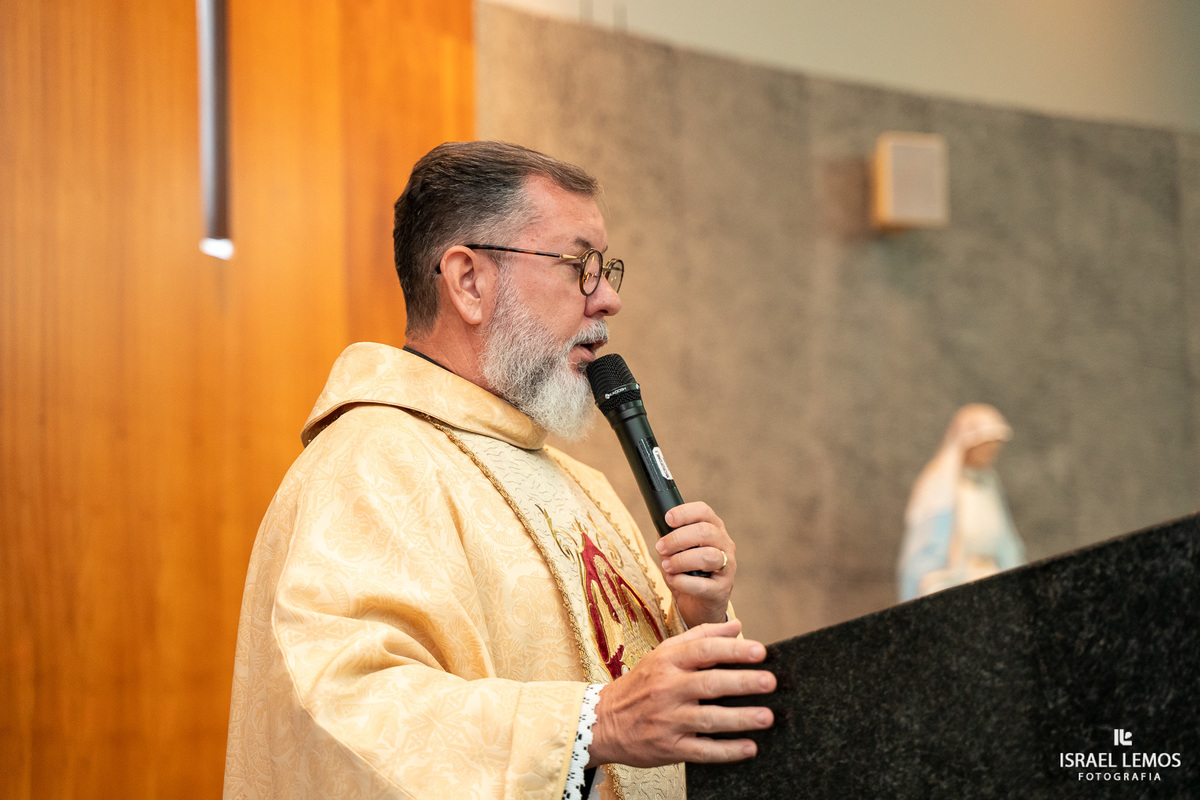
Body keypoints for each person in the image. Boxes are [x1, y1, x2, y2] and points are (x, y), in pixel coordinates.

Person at [223, 141, 775, 800]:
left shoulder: (584, 488)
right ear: (468, 281)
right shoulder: (369, 463)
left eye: (606, 269)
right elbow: (341, 713)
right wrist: (594, 724)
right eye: (578, 266)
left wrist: (697, 615)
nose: (606, 301)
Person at [897, 403, 1027, 601]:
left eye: (993, 450)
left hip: (991, 578)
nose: (989, 455)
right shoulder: (940, 484)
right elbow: (925, 548)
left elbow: (1005, 539)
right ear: (968, 444)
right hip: (951, 583)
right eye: (985, 448)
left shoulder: (989, 483)